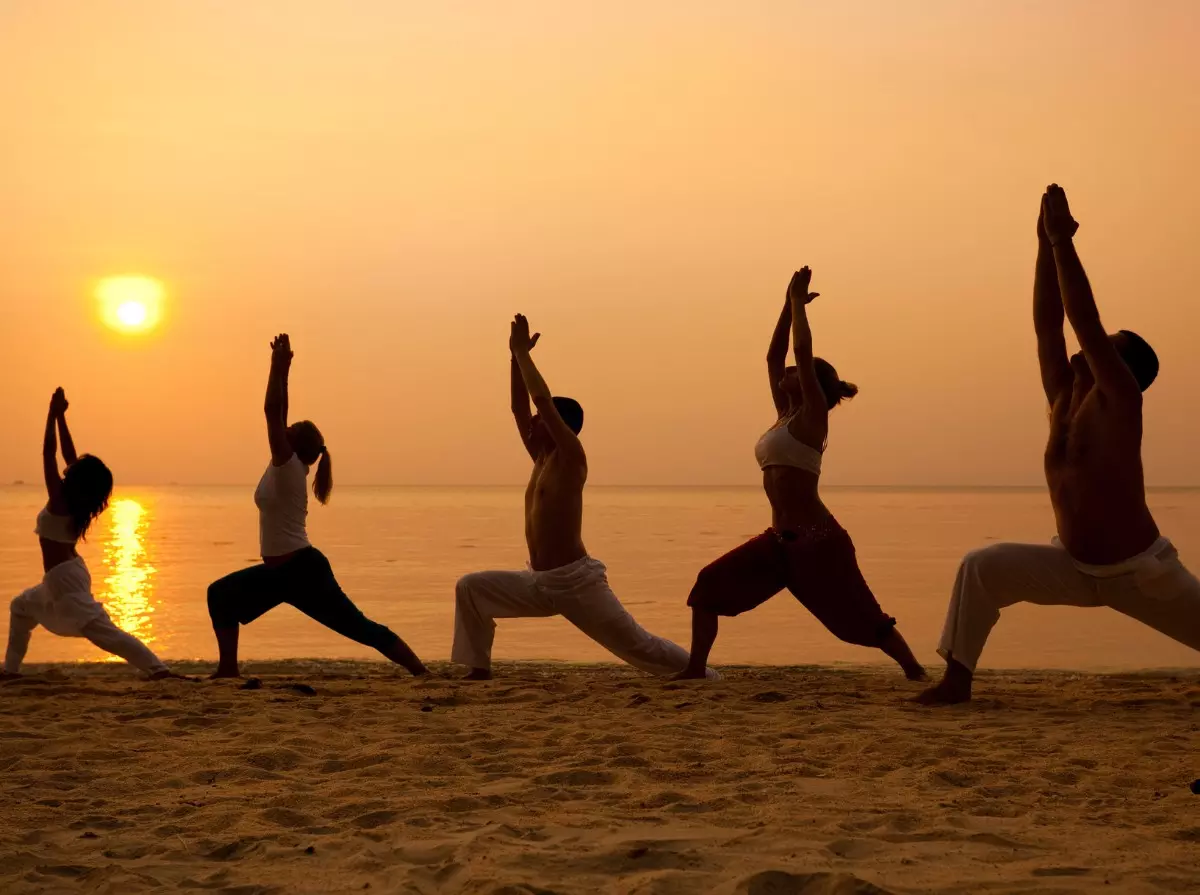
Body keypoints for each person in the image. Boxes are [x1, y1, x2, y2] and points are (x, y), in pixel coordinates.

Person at [918, 185, 1200, 704]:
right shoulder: (1064, 398)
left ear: (1121, 371)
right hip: (1072, 567)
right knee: (981, 566)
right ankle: (956, 682)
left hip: (1140, 574)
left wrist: (1063, 242)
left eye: (1104, 351)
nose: (1081, 351)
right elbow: (1048, 325)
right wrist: (1043, 246)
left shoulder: (1120, 400)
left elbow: (1083, 323)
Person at [674, 268, 925, 680]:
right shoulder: (782, 415)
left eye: (796, 372)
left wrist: (798, 306)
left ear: (813, 385)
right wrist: (785, 305)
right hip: (778, 543)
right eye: (788, 373)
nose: (787, 372)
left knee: (861, 619)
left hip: (819, 542)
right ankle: (696, 669)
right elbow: (774, 357)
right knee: (709, 587)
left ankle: (914, 670)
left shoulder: (812, 417)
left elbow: (802, 355)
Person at [452, 315, 715, 681]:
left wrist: (523, 355)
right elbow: (519, 407)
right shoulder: (540, 458)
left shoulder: (571, 457)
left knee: (638, 645)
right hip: (539, 582)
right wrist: (514, 358)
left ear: (560, 425)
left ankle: (702, 674)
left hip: (576, 582)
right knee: (472, 587)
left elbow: (540, 400)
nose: (531, 422)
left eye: (540, 419)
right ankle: (479, 668)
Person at [206, 334, 427, 678]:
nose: (284, 427)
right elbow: (281, 411)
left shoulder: (287, 466)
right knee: (220, 595)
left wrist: (274, 366)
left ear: (293, 443)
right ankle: (228, 670)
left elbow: (271, 411)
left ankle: (420, 671)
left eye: (289, 429)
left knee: (359, 627)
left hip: (302, 572)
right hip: (281, 574)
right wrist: (286, 371)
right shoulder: (287, 464)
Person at [3, 389, 177, 680]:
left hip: (65, 578)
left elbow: (49, 453)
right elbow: (69, 459)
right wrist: (61, 417)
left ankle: (159, 669)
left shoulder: (60, 500)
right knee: (21, 608)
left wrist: (50, 412)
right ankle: (9, 671)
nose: (68, 469)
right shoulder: (75, 502)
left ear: (78, 482)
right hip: (62, 575)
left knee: (104, 632)